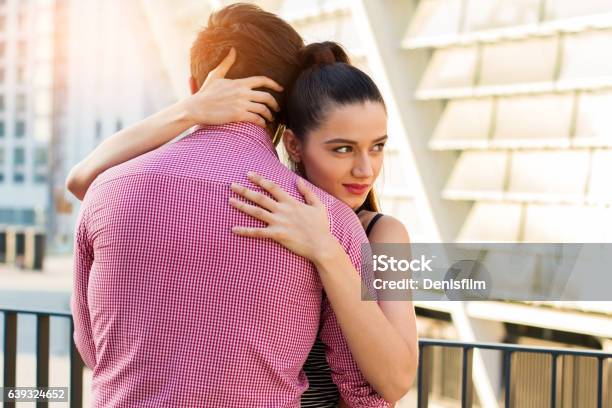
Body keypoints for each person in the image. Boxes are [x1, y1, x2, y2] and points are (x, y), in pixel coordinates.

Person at [69, 4, 390, 407]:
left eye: (377, 147)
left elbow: (92, 348)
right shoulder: (331, 222)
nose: (365, 167)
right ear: (290, 110)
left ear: (193, 85)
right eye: (346, 148)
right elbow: (368, 393)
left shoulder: (108, 190)